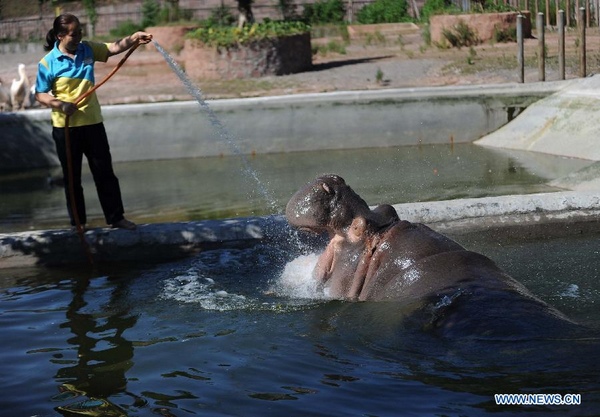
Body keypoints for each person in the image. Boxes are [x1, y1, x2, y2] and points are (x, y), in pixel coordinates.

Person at [35, 13, 152, 231]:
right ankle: (78, 224)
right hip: (66, 128)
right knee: (72, 179)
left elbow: (113, 48)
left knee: (105, 173)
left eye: (80, 31)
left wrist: (134, 38)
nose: (79, 36)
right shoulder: (47, 63)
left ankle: (116, 218)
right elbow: (40, 94)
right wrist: (60, 104)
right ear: (60, 36)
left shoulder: (87, 49)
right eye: (74, 33)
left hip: (93, 124)